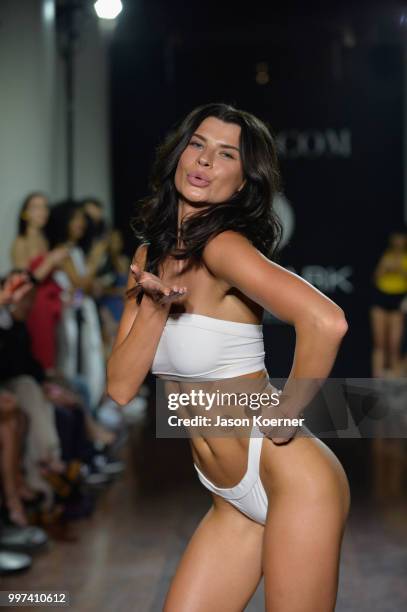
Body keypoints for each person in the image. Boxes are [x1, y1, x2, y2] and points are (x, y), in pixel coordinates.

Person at [107, 103, 350, 611]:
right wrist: (155, 310)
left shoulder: (222, 247)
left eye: (224, 155)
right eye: (197, 145)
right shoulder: (147, 258)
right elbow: (120, 387)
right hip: (228, 499)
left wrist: (286, 414)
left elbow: (326, 322)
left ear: (242, 182)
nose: (203, 162)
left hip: (290, 478)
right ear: (179, 153)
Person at [10, 192, 69, 375]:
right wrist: (50, 261)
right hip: (35, 305)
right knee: (41, 353)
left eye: (44, 207)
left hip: (51, 302)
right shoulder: (20, 242)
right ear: (25, 213)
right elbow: (24, 281)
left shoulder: (44, 240)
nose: (42, 212)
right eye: (36, 207)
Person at [369, 230, 407, 378]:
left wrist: (400, 268)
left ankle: (395, 385)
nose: (398, 241)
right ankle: (376, 382)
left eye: (401, 238)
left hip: (398, 300)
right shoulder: (384, 255)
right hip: (381, 298)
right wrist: (385, 267)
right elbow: (376, 277)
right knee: (379, 344)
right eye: (396, 238)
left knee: (394, 345)